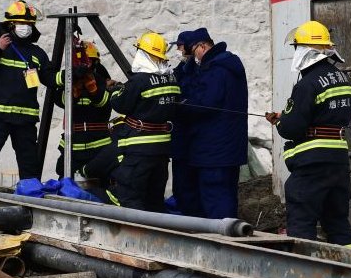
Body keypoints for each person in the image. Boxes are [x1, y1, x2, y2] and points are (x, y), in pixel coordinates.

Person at [266, 20, 351, 245]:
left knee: (301, 220)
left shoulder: (307, 84)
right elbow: (328, 115)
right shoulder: (342, 79)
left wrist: (280, 122)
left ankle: (303, 271)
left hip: (312, 164)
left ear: (304, 50)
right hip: (337, 161)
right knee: (337, 222)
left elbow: (291, 128)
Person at [0, 0, 50, 193]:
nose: (25, 28)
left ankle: (31, 195)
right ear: (10, 25)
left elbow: (50, 78)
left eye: (29, 25)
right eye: (22, 24)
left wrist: (68, 76)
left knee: (29, 162)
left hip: (25, 119)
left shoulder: (37, 54)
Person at [174, 27, 248, 218]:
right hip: (226, 148)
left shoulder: (217, 69)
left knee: (216, 201)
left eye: (193, 51)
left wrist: (180, 105)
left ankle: (222, 243)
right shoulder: (228, 65)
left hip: (214, 149)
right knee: (224, 196)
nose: (193, 57)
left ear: (202, 46)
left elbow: (205, 103)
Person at [106, 32, 179, 211]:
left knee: (131, 196)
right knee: (154, 199)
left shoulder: (139, 81)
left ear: (144, 54)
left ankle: (134, 237)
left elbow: (120, 104)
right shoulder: (171, 79)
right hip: (161, 150)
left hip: (139, 149)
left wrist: (116, 90)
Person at [49, 39, 113, 178]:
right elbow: (61, 101)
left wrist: (93, 90)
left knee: (101, 179)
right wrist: (74, 90)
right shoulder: (68, 82)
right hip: (73, 146)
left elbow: (104, 103)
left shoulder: (102, 79)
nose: (85, 66)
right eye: (82, 63)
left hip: (99, 146)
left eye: (89, 62)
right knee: (65, 177)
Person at [168, 30, 201, 214]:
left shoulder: (196, 71)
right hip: (180, 139)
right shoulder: (181, 70)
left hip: (190, 138)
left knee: (189, 186)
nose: (179, 51)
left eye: (181, 47)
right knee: (181, 185)